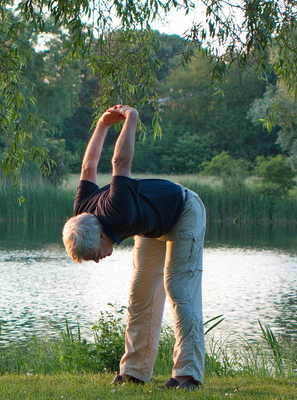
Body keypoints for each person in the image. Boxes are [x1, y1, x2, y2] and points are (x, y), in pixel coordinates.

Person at [62, 105, 207, 390]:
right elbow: (88, 167)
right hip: (151, 224)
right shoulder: (82, 210)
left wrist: (132, 118)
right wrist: (102, 125)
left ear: (101, 236)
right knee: (140, 295)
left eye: (94, 256)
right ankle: (134, 372)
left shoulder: (117, 211)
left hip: (184, 211)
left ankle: (188, 375)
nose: (99, 261)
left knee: (179, 288)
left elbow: (120, 162)